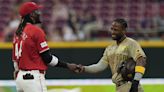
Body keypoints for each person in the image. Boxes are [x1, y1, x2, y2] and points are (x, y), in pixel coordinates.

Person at [12, 2, 77, 92]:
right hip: (33, 78)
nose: (39, 13)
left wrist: (18, 72)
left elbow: (15, 61)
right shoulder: (36, 31)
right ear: (31, 15)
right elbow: (48, 58)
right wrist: (68, 65)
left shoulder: (17, 33)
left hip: (20, 79)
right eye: (36, 11)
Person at [75, 18, 147, 92]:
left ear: (124, 30)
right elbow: (99, 66)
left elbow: (141, 60)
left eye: (116, 30)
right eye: (112, 29)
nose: (112, 32)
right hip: (120, 87)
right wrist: (83, 68)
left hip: (129, 85)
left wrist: (136, 81)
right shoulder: (110, 48)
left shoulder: (131, 43)